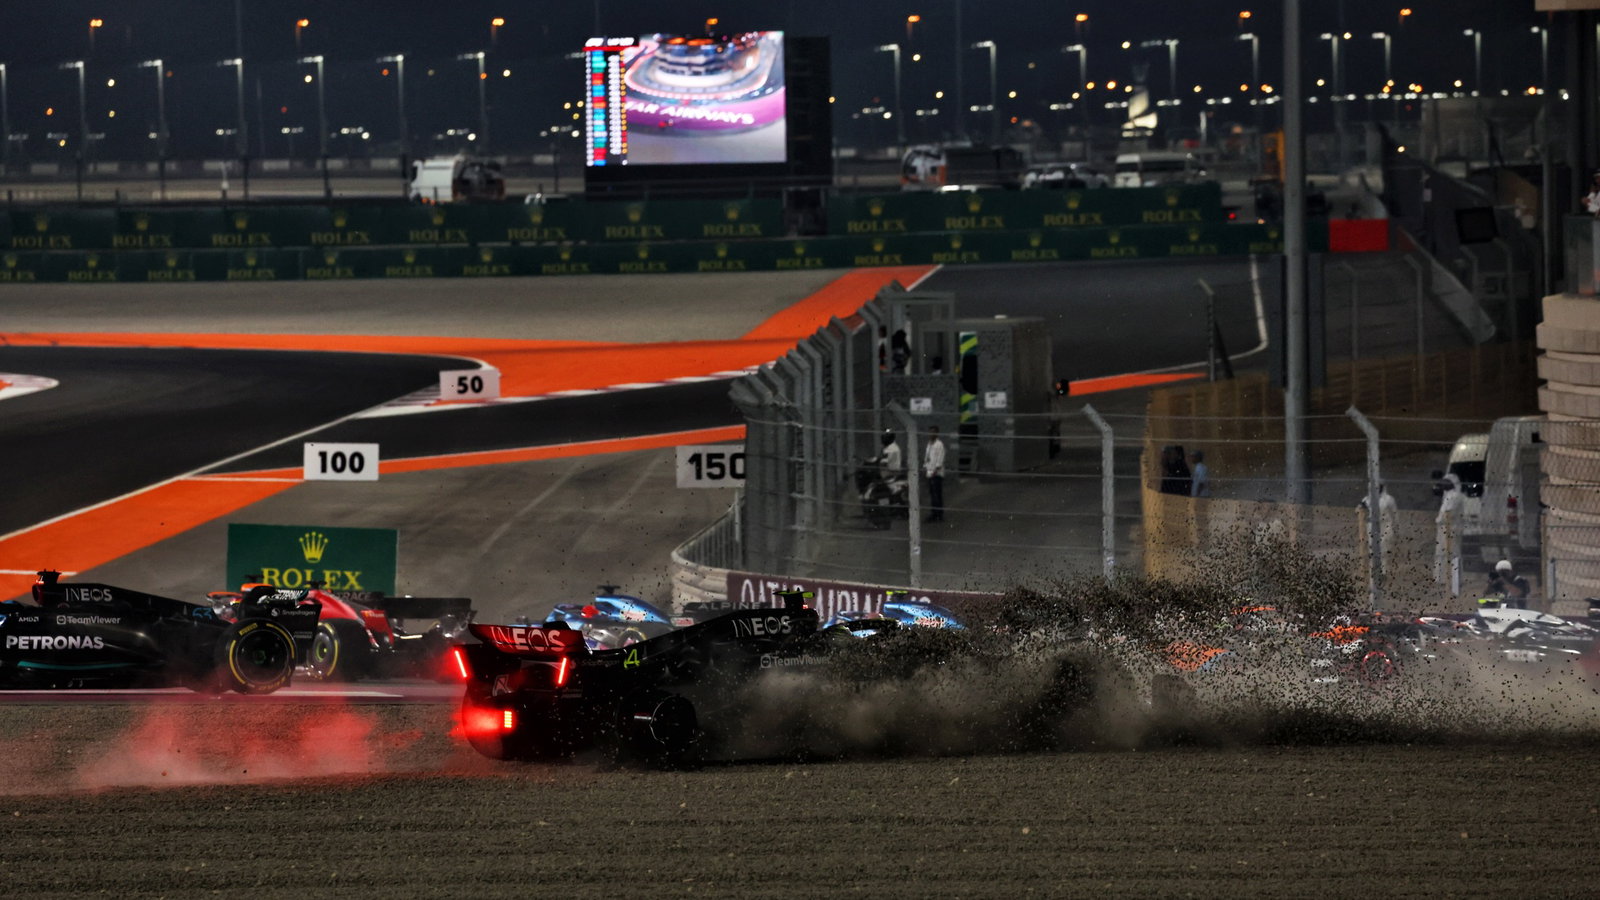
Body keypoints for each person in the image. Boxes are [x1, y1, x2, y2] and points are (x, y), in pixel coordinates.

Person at [1357, 483, 1399, 575]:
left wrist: (1396, 527)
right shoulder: (1366, 500)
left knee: (1383, 548)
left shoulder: (1389, 499)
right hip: (1371, 527)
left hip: (1385, 526)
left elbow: (1395, 514)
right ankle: (1373, 569)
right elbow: (1359, 511)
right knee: (1372, 548)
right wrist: (1361, 508)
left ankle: (1383, 571)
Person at [1434, 472, 1464, 585]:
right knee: (1443, 553)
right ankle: (1443, 579)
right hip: (1445, 529)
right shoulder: (1449, 495)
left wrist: (1438, 520)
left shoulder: (1454, 496)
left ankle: (1453, 579)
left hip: (1451, 529)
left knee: (1452, 553)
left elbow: (1447, 513)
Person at [924, 425, 946, 522]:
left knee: (937, 495)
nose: (931, 434)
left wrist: (934, 471)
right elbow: (927, 457)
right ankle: (934, 513)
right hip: (929, 472)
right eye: (930, 432)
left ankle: (939, 514)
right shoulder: (929, 444)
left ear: (936, 433)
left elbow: (939, 460)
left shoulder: (939, 445)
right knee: (933, 495)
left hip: (936, 474)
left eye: (933, 432)